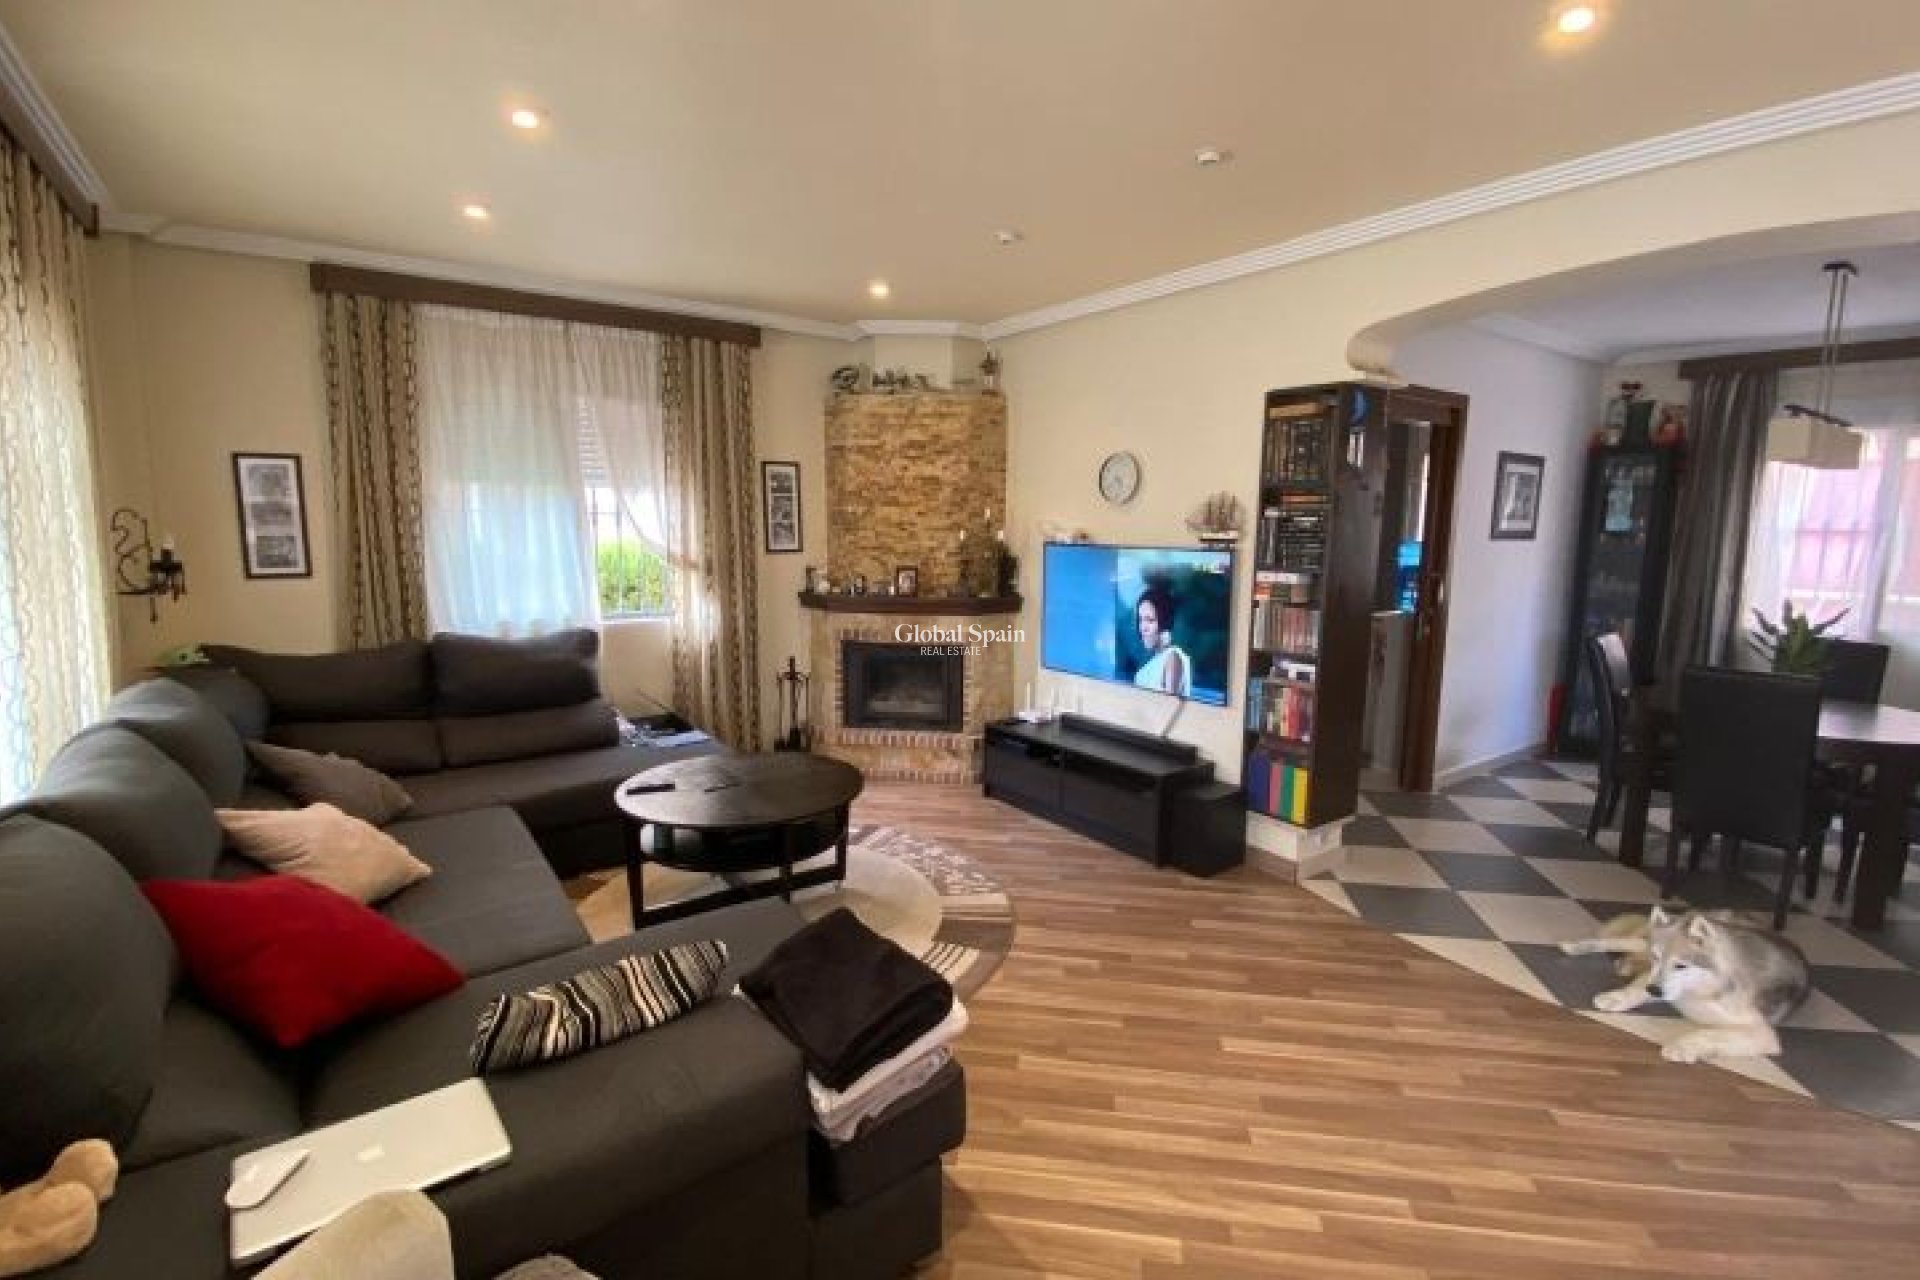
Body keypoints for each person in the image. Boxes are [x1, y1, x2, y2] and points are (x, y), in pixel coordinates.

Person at [1132, 586, 1192, 696]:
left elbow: (1168, 703)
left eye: (1150, 620)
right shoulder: (1155, 660)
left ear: (1164, 621)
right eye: (1140, 620)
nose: (1143, 627)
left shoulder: (1172, 657)